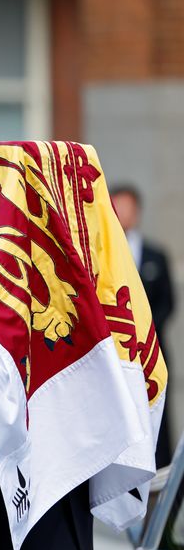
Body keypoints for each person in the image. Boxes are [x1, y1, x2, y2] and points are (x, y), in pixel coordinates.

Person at [111, 185, 175, 468]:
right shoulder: (102, 253)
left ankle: (162, 473)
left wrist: (142, 332)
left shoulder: (154, 255)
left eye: (127, 207)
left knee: (156, 411)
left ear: (137, 212)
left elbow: (167, 303)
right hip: (117, 353)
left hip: (152, 349)